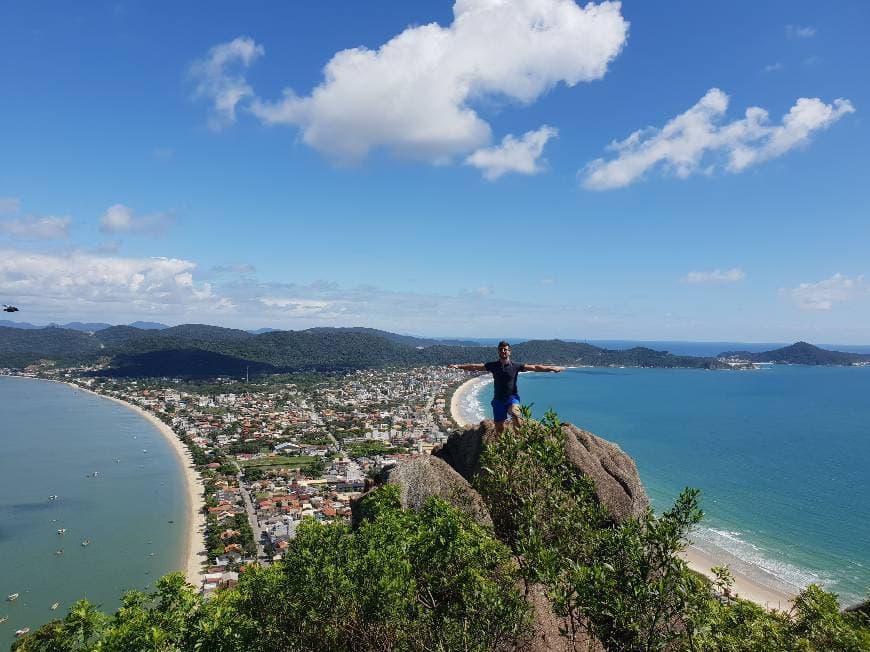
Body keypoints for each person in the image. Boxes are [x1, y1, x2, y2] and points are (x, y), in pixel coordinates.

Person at [451, 341, 564, 434]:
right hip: (498, 400)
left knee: (516, 414)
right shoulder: (493, 366)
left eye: (505, 349)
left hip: (512, 398)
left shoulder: (516, 366)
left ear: (509, 352)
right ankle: (502, 448)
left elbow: (534, 367)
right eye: (501, 349)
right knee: (499, 429)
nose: (503, 351)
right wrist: (459, 366)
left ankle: (520, 441)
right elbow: (475, 366)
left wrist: (551, 368)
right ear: (499, 352)